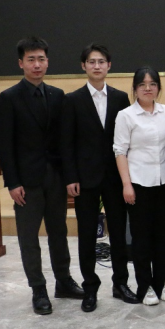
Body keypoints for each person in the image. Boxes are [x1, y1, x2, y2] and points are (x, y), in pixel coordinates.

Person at [0, 36, 84, 316]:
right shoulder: (9, 98)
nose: (37, 64)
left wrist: (69, 176)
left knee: (59, 232)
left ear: (48, 62)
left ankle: (64, 281)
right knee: (28, 237)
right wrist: (12, 182)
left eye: (41, 59)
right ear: (21, 63)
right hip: (26, 182)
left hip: (55, 177)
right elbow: (4, 145)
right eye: (31, 59)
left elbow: (64, 141)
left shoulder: (57, 95)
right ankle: (38, 288)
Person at [61, 43, 137, 312]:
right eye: (92, 62)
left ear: (109, 66)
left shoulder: (120, 98)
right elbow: (66, 143)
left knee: (118, 232)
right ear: (84, 66)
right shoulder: (72, 100)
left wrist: (128, 177)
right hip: (84, 179)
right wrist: (70, 177)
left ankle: (120, 284)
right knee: (86, 235)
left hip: (115, 178)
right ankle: (90, 288)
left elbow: (127, 141)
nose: (97, 66)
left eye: (101, 61)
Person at [114, 67, 165, 306]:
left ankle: (162, 282)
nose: (147, 88)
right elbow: (120, 151)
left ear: (159, 88)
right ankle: (145, 286)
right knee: (141, 238)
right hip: (138, 183)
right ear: (134, 89)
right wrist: (126, 185)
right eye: (142, 84)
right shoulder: (126, 115)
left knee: (162, 236)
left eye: (152, 84)